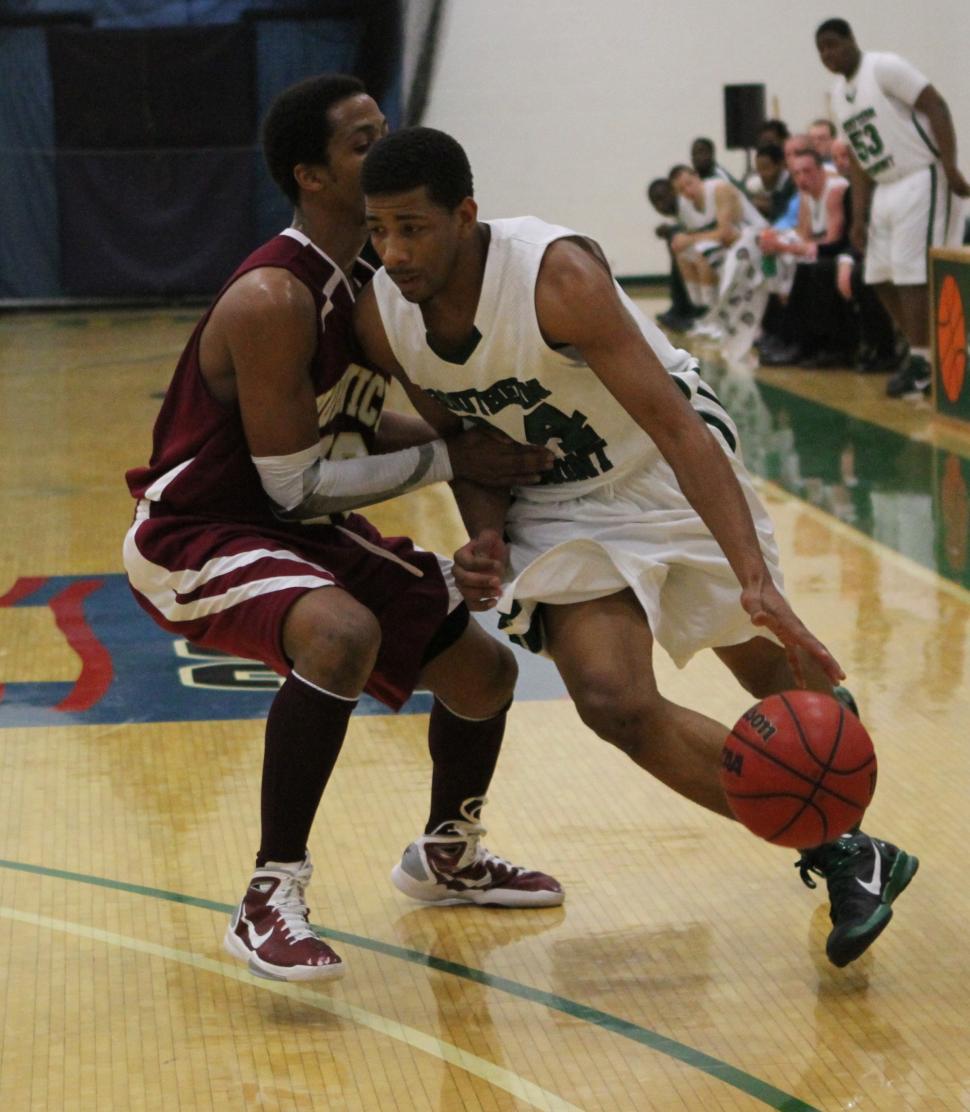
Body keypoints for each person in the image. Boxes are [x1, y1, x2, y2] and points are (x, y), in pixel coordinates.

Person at [354, 125, 919, 968]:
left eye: (413, 229)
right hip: (556, 500)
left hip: (659, 464)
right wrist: (484, 535)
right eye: (377, 231)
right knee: (612, 699)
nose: (392, 252)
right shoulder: (382, 318)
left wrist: (757, 581)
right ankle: (841, 850)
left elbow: (677, 428)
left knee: (782, 679)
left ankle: (842, 822)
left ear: (465, 216)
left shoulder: (556, 277)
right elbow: (464, 447)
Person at [122, 76, 563, 985]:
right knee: (341, 633)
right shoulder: (275, 298)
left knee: (485, 673)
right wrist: (452, 459)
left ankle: (449, 853)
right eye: (362, 144)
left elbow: (357, 431)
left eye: (385, 132)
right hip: (197, 531)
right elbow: (293, 484)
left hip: (294, 522)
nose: (385, 150)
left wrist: (461, 442)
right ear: (312, 177)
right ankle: (267, 894)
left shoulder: (372, 278)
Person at [816, 17, 970, 398]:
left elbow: (936, 104)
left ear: (852, 39)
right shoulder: (838, 94)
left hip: (920, 174)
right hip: (884, 186)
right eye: (821, 50)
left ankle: (923, 362)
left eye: (833, 44)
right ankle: (923, 352)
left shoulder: (883, 67)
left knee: (912, 271)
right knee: (878, 274)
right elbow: (858, 156)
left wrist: (950, 164)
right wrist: (860, 214)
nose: (828, 54)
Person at [758, 148, 853, 366]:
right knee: (787, 260)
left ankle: (809, 343)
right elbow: (804, 236)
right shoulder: (804, 195)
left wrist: (783, 246)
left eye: (807, 171)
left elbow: (832, 242)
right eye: (797, 173)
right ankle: (784, 336)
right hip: (820, 252)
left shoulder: (834, 192)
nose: (802, 178)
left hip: (840, 253)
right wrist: (778, 239)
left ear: (821, 171)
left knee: (810, 267)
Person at [646, 177, 699, 332]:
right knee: (676, 242)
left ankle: (686, 308)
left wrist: (672, 231)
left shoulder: (687, 205)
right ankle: (681, 306)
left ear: (673, 192)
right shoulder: (680, 212)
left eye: (663, 198)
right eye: (656, 203)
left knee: (677, 242)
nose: (661, 205)